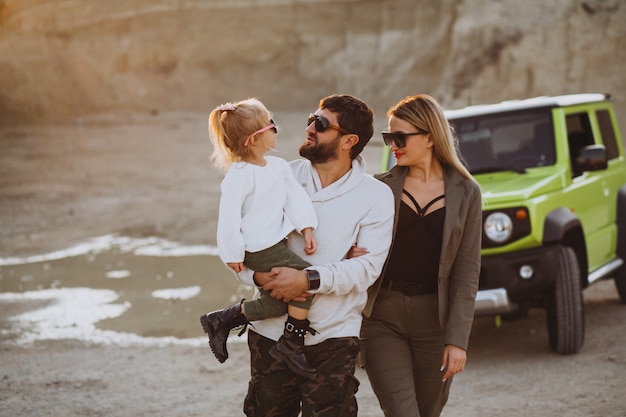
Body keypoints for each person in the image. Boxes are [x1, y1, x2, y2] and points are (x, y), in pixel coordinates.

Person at [237, 94, 395, 417]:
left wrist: (307, 279)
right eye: (312, 118)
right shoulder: (277, 177)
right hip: (269, 333)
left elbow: (366, 269)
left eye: (320, 124)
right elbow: (237, 244)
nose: (309, 127)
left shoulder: (376, 196)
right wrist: (254, 277)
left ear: (349, 140)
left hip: (334, 338)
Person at [361, 94, 482, 417]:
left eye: (400, 137)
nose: (392, 145)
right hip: (382, 319)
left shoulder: (467, 193)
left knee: (428, 411)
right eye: (388, 137)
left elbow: (467, 271)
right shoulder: (379, 188)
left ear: (429, 137)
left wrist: (457, 340)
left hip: (435, 321)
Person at [200, 98, 320, 378]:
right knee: (307, 277)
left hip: (275, 245)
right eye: (272, 125)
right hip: (257, 248)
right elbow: (228, 216)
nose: (276, 130)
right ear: (254, 139)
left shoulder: (278, 167)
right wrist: (232, 254)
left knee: (277, 302)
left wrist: (307, 227)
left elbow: (294, 198)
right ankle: (292, 342)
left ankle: (223, 319)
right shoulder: (239, 176)